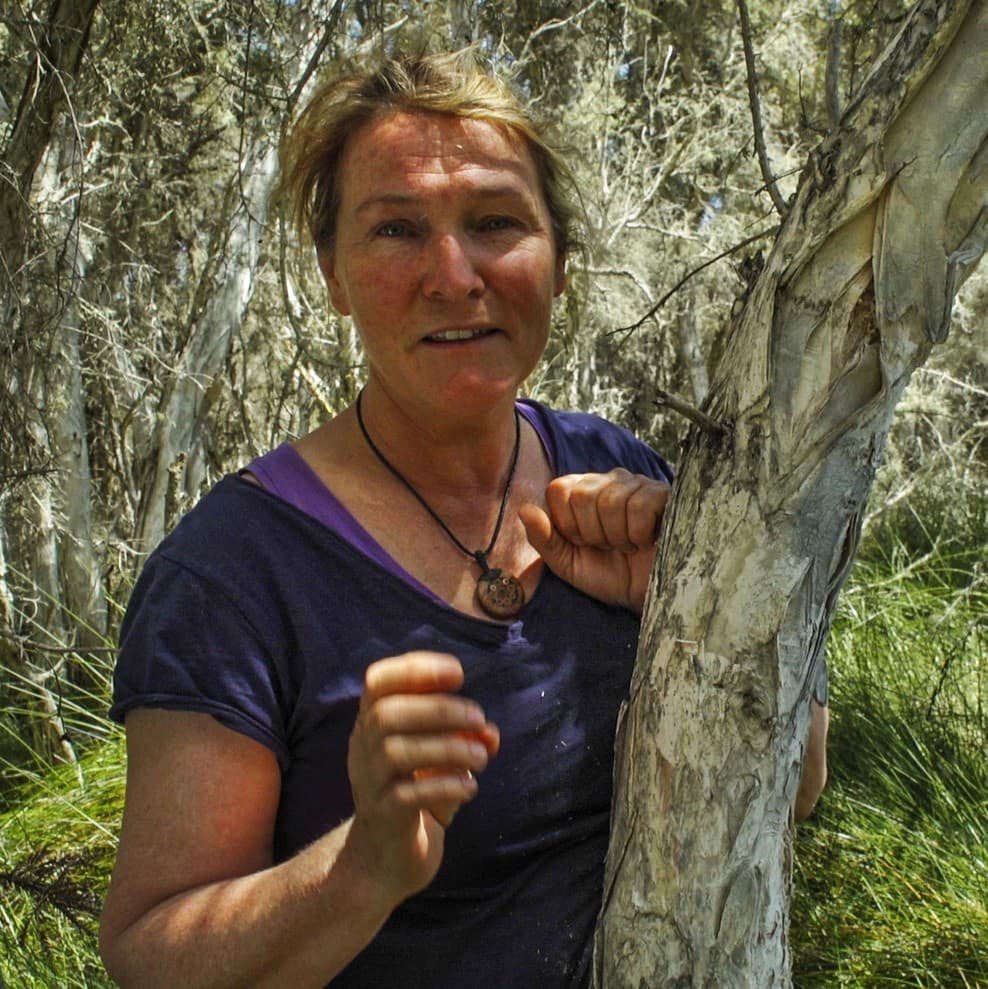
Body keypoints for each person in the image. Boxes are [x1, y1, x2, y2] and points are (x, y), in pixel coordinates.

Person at [99, 50, 827, 989]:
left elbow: (793, 789)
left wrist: (709, 623)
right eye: (396, 229)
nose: (454, 274)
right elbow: (149, 952)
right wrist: (360, 870)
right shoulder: (234, 572)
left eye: (495, 222)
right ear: (333, 274)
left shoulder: (628, 474)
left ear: (557, 258)